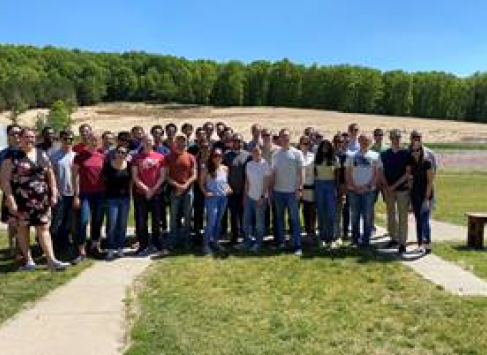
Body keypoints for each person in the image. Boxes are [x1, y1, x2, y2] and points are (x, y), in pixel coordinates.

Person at [1, 127, 69, 271]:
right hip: (20, 200)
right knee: (23, 229)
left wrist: (54, 192)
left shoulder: (41, 154)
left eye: (32, 137)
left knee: (43, 228)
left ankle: (51, 260)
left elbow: (50, 174)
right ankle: (29, 261)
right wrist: (10, 199)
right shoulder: (11, 157)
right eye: (26, 137)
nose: (30, 139)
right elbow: (5, 181)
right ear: (20, 138)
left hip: (41, 200)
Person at [72, 134, 106, 262]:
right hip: (84, 194)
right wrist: (76, 195)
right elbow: (74, 176)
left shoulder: (103, 156)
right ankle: (81, 250)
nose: (95, 142)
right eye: (92, 140)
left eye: (97, 140)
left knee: (97, 221)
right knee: (83, 221)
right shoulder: (79, 156)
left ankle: (95, 247)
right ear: (88, 141)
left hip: (100, 193)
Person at [271, 128, 304, 256]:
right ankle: (281, 243)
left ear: (290, 138)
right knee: (279, 219)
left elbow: (301, 173)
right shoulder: (275, 154)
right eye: (282, 136)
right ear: (279, 138)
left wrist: (299, 189)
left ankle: (297, 245)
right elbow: (273, 173)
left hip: (292, 192)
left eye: (287, 136)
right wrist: (271, 189)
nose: (285, 138)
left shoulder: (297, 153)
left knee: (294, 219)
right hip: (278, 191)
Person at [132, 134, 167, 255]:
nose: (148, 142)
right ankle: (143, 245)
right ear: (142, 142)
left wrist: (153, 190)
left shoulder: (160, 157)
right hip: (141, 194)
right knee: (142, 221)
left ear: (153, 142)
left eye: (150, 140)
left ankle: (157, 243)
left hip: (156, 194)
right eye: (146, 140)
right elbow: (135, 177)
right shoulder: (137, 157)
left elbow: (162, 176)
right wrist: (146, 189)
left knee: (157, 221)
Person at [345, 134, 381, 247]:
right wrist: (355, 187)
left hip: (369, 191)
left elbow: (377, 174)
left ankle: (366, 240)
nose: (365, 143)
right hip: (353, 191)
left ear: (370, 142)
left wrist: (368, 186)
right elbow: (347, 173)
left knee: (367, 216)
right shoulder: (352, 155)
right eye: (362, 140)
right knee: (354, 215)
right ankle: (355, 239)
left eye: (367, 141)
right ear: (359, 141)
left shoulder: (375, 156)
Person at [380, 129, 410, 254]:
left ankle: (402, 243)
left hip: (402, 190)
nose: (396, 140)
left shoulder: (406, 153)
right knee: (391, 216)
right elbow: (381, 172)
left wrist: (393, 187)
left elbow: (407, 173)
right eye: (394, 137)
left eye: (398, 137)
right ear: (390, 139)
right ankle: (393, 239)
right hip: (389, 190)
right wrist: (387, 187)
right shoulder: (385, 154)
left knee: (403, 217)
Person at [166, 135, 197, 250]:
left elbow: (194, 175)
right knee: (174, 217)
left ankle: (186, 241)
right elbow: (167, 176)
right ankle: (173, 241)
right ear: (175, 142)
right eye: (178, 141)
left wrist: (185, 185)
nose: (180, 143)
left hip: (188, 191)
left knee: (188, 217)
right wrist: (178, 186)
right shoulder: (169, 157)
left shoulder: (191, 157)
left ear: (186, 143)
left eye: (183, 141)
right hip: (175, 191)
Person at [200, 148, 232, 255]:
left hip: (223, 198)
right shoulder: (206, 168)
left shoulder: (225, 168)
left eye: (219, 156)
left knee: (218, 222)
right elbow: (201, 183)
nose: (217, 158)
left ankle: (215, 242)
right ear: (212, 157)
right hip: (212, 199)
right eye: (215, 155)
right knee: (211, 222)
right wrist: (205, 193)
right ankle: (205, 245)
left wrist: (229, 188)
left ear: (222, 157)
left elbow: (225, 183)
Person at [102, 144, 132, 260]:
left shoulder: (128, 166)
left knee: (122, 224)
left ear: (126, 155)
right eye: (119, 152)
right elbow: (104, 181)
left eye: (123, 153)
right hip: (111, 199)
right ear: (115, 153)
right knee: (112, 224)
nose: (120, 154)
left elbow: (130, 182)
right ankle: (110, 248)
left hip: (125, 199)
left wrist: (130, 196)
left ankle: (120, 248)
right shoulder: (108, 166)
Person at [49, 129, 76, 254]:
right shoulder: (54, 156)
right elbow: (51, 176)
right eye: (65, 139)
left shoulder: (76, 156)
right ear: (60, 140)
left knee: (69, 221)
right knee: (57, 221)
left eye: (71, 139)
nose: (68, 141)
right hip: (60, 194)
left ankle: (66, 244)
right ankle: (53, 245)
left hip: (73, 194)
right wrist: (55, 192)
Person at [240, 145, 271, 251]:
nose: (256, 153)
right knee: (246, 221)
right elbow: (247, 181)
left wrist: (262, 197)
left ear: (261, 152)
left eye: (257, 151)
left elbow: (267, 182)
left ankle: (258, 243)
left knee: (259, 223)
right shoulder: (249, 164)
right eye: (254, 151)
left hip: (260, 198)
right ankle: (247, 242)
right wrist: (245, 196)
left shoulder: (265, 164)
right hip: (249, 197)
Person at [407, 141, 435, 254]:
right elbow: (410, 181)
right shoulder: (411, 163)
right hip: (415, 195)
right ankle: (420, 245)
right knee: (418, 220)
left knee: (425, 220)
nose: (415, 152)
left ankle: (427, 243)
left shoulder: (427, 163)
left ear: (421, 150)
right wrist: (410, 199)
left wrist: (426, 198)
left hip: (426, 195)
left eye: (417, 150)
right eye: (413, 150)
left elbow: (430, 182)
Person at [224, 133, 251, 244]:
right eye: (235, 141)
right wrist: (227, 186)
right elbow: (223, 172)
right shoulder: (227, 155)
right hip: (231, 191)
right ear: (232, 142)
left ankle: (245, 236)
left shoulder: (248, 155)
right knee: (233, 215)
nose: (237, 143)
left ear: (242, 142)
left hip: (244, 191)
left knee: (244, 215)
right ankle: (234, 237)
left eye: (239, 141)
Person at [0, 124, 22, 256]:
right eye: (13, 134)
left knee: (22, 222)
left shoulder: (25, 151)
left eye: (18, 133)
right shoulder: (3, 154)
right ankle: (12, 247)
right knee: (11, 222)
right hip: (9, 193)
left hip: (25, 192)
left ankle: (21, 249)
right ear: (8, 137)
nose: (16, 136)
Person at [314, 140, 339, 247]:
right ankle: (322, 237)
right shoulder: (317, 158)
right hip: (319, 185)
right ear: (320, 148)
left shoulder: (335, 159)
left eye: (327, 146)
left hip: (330, 185)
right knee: (320, 212)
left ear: (330, 148)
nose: (325, 148)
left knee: (331, 212)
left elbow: (337, 174)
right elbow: (314, 173)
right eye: (323, 146)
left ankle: (331, 238)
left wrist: (336, 188)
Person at [333, 134, 350, 241]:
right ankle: (332, 233)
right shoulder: (329, 155)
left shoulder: (346, 156)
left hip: (342, 187)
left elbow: (346, 174)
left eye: (341, 142)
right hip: (330, 186)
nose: (339, 144)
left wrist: (343, 190)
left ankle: (342, 233)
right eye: (337, 141)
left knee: (343, 211)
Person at [299, 135, 316, 239]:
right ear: (300, 144)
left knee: (311, 210)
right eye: (304, 143)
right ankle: (300, 230)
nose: (306, 146)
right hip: (298, 187)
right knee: (301, 210)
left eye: (308, 144)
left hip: (310, 187)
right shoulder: (296, 155)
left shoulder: (313, 156)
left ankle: (311, 230)